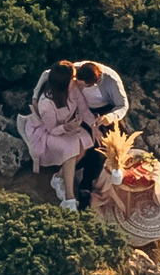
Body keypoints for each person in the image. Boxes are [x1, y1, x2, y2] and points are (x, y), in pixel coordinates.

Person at [23, 57, 102, 211]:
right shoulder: (47, 103)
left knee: (86, 141)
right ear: (62, 84)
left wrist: (94, 126)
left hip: (67, 128)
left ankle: (59, 177)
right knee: (71, 150)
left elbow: (84, 110)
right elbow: (51, 129)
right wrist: (66, 127)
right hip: (48, 133)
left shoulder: (73, 90)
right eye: (72, 78)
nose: (75, 80)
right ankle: (69, 197)